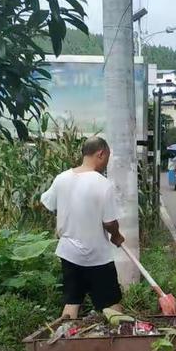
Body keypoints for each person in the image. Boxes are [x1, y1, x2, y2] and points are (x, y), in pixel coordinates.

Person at [41, 136, 125, 319]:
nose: (106, 163)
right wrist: (117, 236)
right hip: (97, 256)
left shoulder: (61, 178)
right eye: (107, 158)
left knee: (71, 302)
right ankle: (118, 341)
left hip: (69, 253)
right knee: (112, 305)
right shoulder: (103, 184)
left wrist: (65, 219)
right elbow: (109, 222)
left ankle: (66, 337)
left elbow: (48, 203)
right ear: (101, 154)